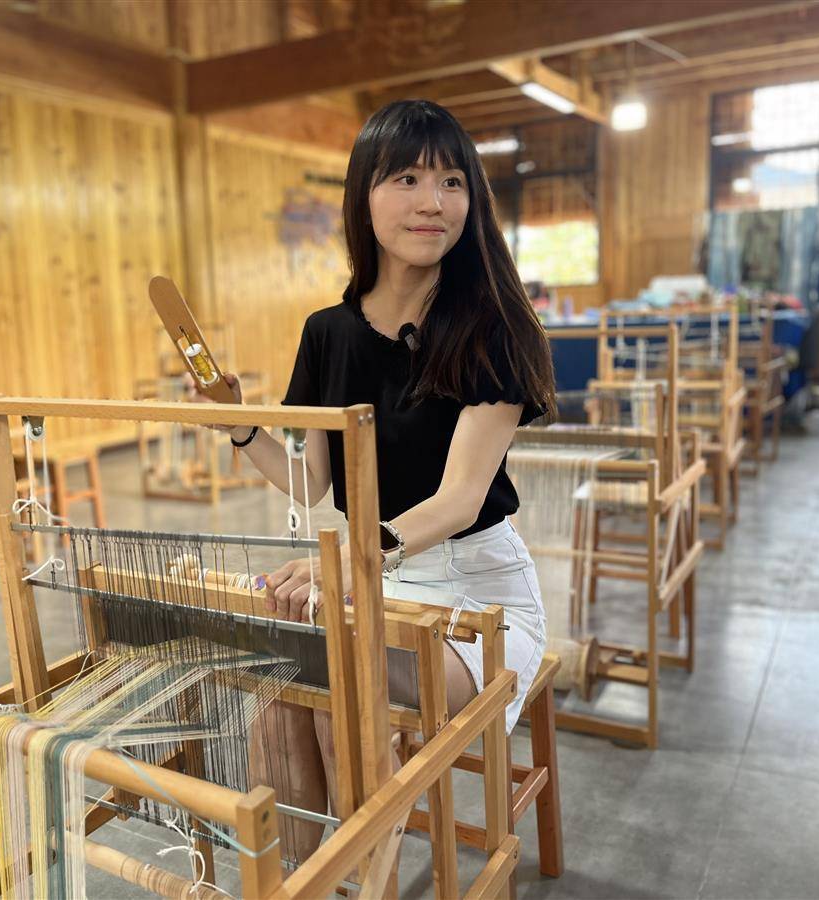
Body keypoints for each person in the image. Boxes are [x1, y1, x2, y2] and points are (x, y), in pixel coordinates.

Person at [194, 99, 555, 858]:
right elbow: (310, 483)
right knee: (284, 688)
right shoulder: (328, 332)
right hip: (381, 580)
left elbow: (458, 500)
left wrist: (357, 561)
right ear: (364, 194)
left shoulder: (494, 326)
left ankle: (357, 878)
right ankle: (295, 879)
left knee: (339, 688)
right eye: (408, 179)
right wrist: (238, 426)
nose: (433, 202)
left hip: (478, 598)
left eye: (452, 182)